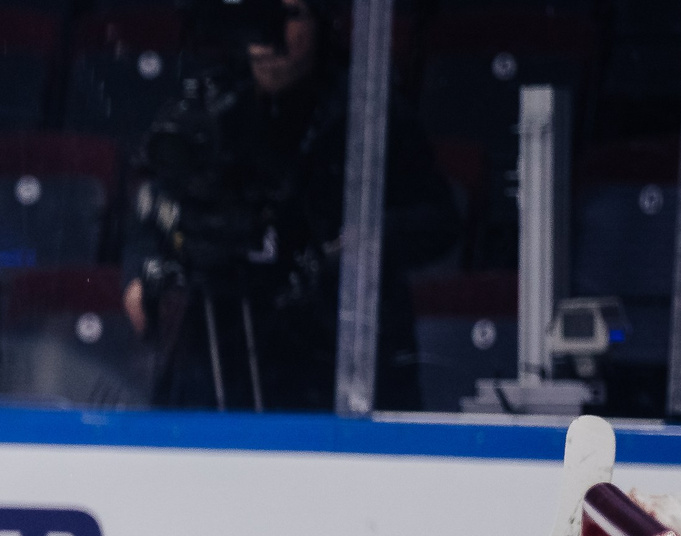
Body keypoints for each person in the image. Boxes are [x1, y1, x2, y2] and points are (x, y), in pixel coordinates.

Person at [122, 0, 458, 411]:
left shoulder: (367, 112)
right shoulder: (212, 105)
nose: (270, 32)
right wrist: (139, 273)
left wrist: (363, 240)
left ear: (322, 24)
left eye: (291, 14)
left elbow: (439, 220)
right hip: (221, 348)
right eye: (259, 15)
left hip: (331, 349)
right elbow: (155, 205)